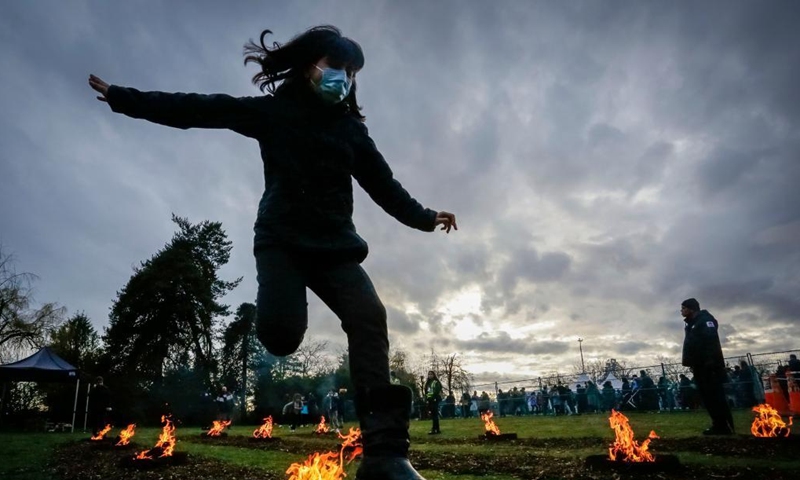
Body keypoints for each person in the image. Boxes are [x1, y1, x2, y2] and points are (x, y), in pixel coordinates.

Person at [88, 25, 456, 480]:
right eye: (338, 68)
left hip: (334, 248)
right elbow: (204, 109)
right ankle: (280, 325)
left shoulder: (351, 132)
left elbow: (386, 186)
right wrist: (128, 99)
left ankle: (385, 456)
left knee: (369, 317)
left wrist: (425, 216)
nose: (345, 79)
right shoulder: (273, 114)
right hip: (281, 242)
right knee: (282, 336)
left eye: (353, 73)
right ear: (310, 68)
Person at [680, 298, 734, 435]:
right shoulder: (691, 324)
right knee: (707, 397)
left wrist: (710, 361)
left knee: (715, 396)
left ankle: (725, 425)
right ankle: (718, 424)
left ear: (691, 308)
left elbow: (710, 341)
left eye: (683, 308)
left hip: (709, 366)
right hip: (699, 366)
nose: (681, 311)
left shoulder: (704, 321)